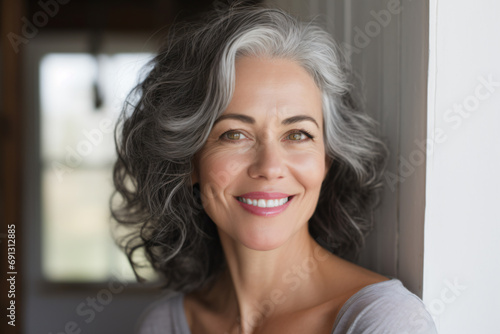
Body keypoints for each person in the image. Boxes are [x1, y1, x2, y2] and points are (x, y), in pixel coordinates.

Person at [111, 3, 437, 333]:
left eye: (298, 134)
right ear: (189, 160)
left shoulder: (382, 321)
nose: (269, 167)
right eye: (234, 134)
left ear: (327, 159)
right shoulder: (163, 324)